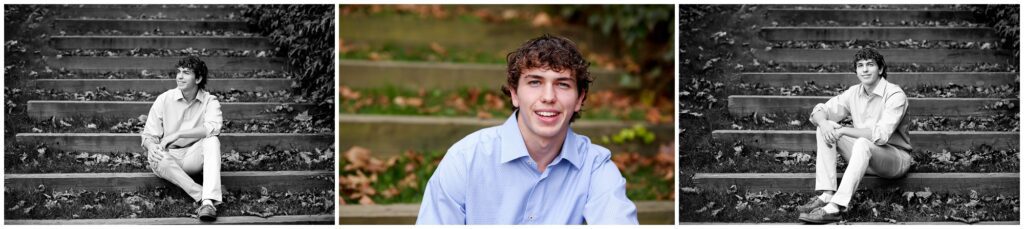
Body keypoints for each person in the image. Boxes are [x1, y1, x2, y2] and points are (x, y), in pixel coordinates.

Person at [416, 34, 638, 225]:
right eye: (535, 82)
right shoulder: (466, 158)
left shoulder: (595, 167)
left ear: (579, 99)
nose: (548, 97)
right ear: (514, 93)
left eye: (562, 84)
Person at [797, 48, 915, 224]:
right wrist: (823, 123)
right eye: (860, 66)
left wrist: (844, 130)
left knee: (861, 143)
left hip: (895, 159)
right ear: (856, 71)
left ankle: (835, 207)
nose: (865, 70)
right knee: (825, 127)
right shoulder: (854, 92)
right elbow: (820, 111)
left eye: (870, 65)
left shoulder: (895, 95)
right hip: (864, 156)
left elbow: (880, 135)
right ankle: (827, 194)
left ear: (880, 69)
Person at [141, 56, 224, 222]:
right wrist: (151, 147)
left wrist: (178, 134)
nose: (179, 76)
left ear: (198, 78)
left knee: (212, 140)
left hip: (193, 156)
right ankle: (203, 197)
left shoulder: (210, 101)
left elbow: (213, 128)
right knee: (158, 154)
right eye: (178, 72)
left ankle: (207, 201)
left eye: (186, 73)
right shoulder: (164, 99)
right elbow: (149, 135)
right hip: (168, 157)